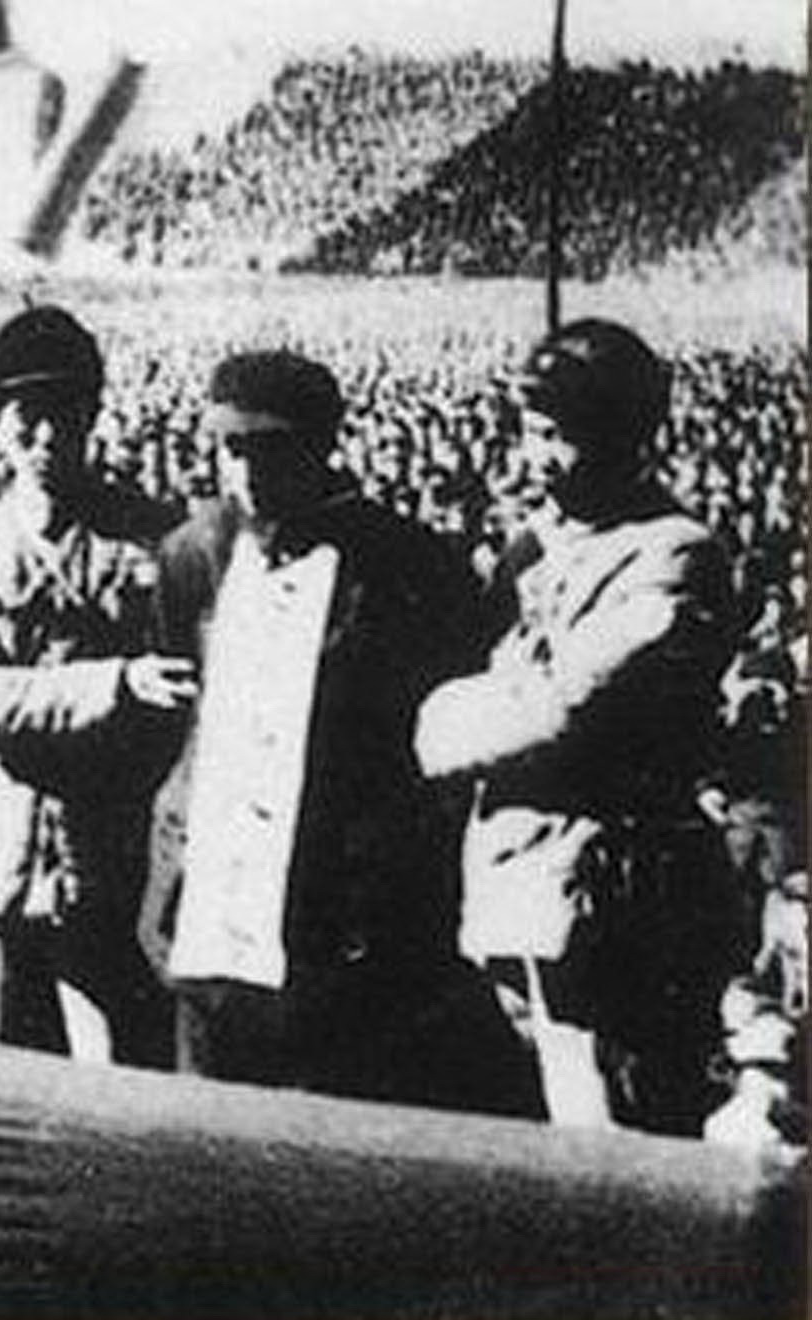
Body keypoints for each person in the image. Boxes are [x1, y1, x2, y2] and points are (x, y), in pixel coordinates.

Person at [140, 350, 537, 1118]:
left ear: (321, 446)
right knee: (208, 1131)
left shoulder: (402, 563)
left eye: (270, 449)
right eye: (230, 449)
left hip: (338, 919)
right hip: (211, 905)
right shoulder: (192, 555)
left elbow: (439, 724)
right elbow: (181, 715)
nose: (246, 472)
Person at [415, 320, 740, 1135]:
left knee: (605, 1126)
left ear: (623, 436)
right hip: (517, 881)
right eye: (530, 433)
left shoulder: (671, 553)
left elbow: (561, 706)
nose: (536, 459)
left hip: (604, 890)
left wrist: (441, 720)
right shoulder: (533, 547)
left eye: (557, 437)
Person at [0, 306, 189, 1066]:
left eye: (65, 414)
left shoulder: (155, 539)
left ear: (92, 416)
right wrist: (116, 683)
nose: (46, 436)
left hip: (106, 841)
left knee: (109, 1068)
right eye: (25, 417)